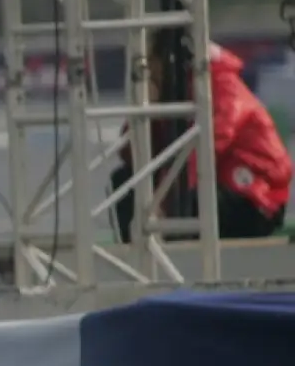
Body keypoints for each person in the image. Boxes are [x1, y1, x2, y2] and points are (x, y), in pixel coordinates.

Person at [111, 35, 291, 241]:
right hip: (210, 184)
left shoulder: (224, 88)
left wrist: (163, 197)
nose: (149, 74)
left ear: (170, 62)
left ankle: (175, 258)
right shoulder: (174, 95)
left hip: (256, 198)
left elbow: (209, 144)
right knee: (125, 181)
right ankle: (137, 253)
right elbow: (131, 155)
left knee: (188, 202)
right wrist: (144, 112)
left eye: (152, 66)